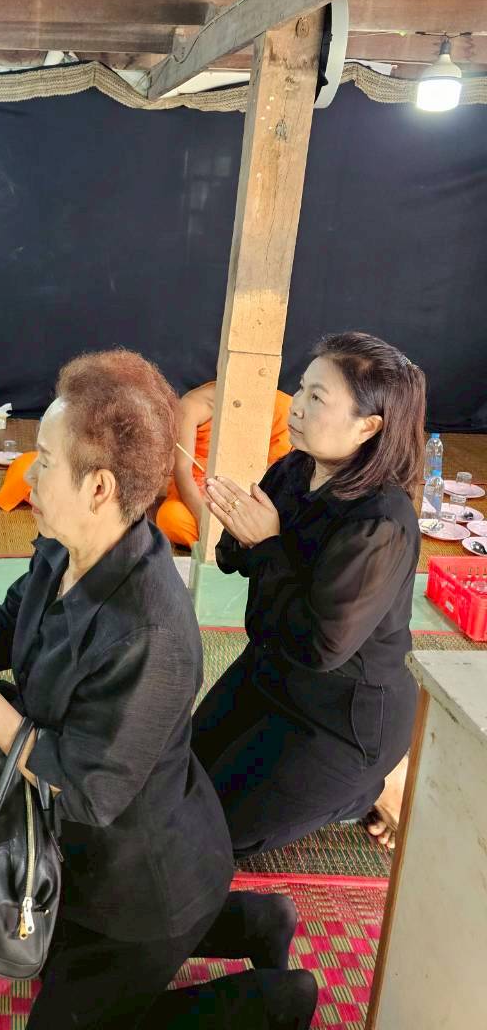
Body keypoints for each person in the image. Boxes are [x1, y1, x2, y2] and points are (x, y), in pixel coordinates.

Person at [0, 351, 317, 1029]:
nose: (28, 474)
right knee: (52, 967)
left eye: (44, 460)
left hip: (145, 882)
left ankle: (276, 1000)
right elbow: (9, 629)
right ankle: (255, 921)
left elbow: (87, 790)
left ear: (99, 488)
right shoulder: (67, 548)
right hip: (84, 855)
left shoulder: (148, 631)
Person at [192, 332, 424, 858]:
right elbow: (236, 557)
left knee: (208, 840)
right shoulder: (296, 468)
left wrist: (266, 543)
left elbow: (322, 646)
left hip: (340, 716)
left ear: (368, 426)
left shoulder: (381, 522)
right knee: (173, 782)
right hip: (271, 671)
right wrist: (236, 526)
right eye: (301, 388)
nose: (295, 406)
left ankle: (374, 784)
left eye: (317, 397)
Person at [156, 381, 293, 548]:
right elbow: (183, 471)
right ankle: (224, 545)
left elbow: (280, 476)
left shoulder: (283, 408)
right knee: (170, 518)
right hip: (202, 494)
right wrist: (204, 521)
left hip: (252, 499)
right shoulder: (192, 405)